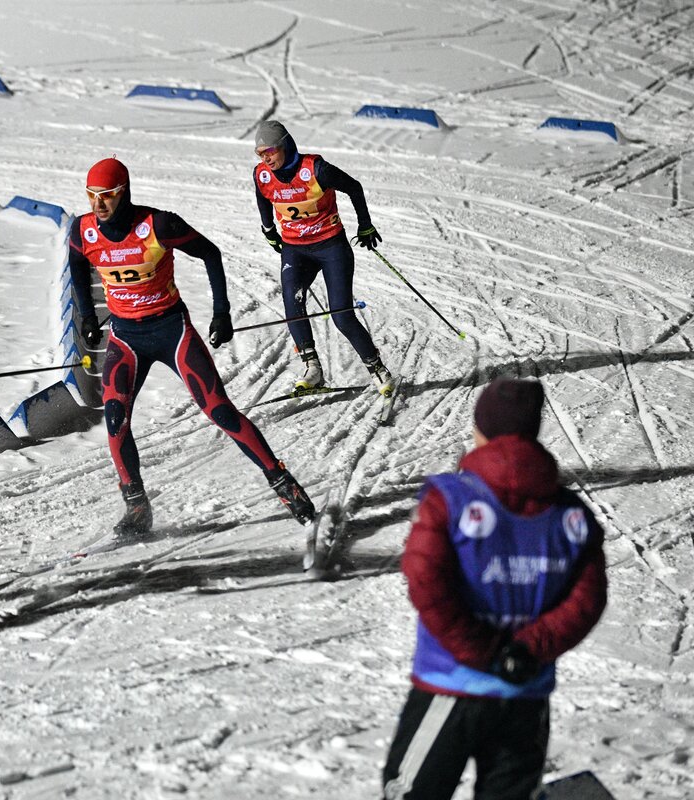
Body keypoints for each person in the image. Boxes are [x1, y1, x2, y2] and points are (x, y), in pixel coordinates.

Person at [382, 378, 608, 800]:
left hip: (451, 686)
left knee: (410, 792)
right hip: (523, 690)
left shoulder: (447, 500)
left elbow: (425, 580)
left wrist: (480, 649)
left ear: (480, 429)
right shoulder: (571, 514)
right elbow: (587, 598)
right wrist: (527, 649)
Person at [69, 157, 315, 534]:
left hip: (171, 331)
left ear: (125, 193)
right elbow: (76, 264)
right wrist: (87, 316)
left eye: (108, 196)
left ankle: (283, 482)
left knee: (219, 410)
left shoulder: (158, 224)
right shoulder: (83, 230)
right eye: (92, 196)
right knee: (116, 422)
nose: (98, 205)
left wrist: (222, 312)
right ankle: (137, 508)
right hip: (125, 337)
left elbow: (210, 253)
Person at [252, 119, 395, 395]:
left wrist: (364, 225)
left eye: (269, 151)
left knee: (341, 315)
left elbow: (354, 187)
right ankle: (312, 368)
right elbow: (262, 197)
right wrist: (268, 229)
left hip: (331, 248)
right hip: (295, 249)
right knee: (292, 304)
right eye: (260, 154)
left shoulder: (316, 169)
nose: (265, 158)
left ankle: (378, 369)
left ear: (284, 146)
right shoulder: (262, 175)